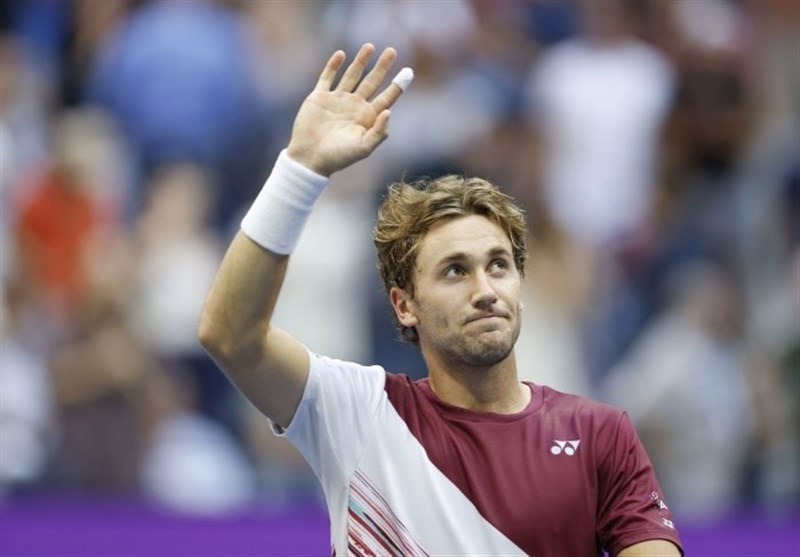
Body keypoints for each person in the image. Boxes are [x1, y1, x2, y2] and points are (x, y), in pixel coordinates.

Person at [198, 44, 684, 557]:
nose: (485, 290)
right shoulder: (358, 413)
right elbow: (230, 335)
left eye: (498, 266)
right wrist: (299, 168)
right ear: (404, 305)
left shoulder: (600, 433)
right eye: (455, 271)